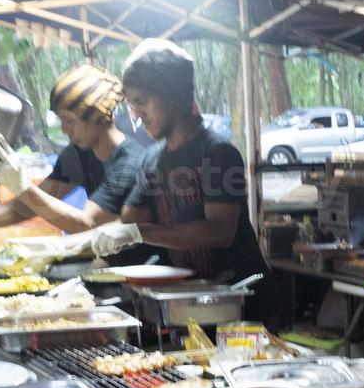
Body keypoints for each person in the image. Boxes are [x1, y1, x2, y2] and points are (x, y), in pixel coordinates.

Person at [80, 39, 266, 285]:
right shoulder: (151, 159)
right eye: (132, 104)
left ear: (173, 96)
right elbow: (129, 222)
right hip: (192, 299)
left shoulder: (218, 153)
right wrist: (70, 243)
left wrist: (137, 233)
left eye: (142, 101)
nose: (136, 113)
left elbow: (220, 231)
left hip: (244, 302)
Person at [0, 64, 146, 238]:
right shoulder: (78, 154)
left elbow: (87, 224)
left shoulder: (129, 163)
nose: (63, 130)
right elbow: (27, 207)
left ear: (98, 116)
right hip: (105, 256)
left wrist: (22, 186)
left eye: (69, 121)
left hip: (141, 263)